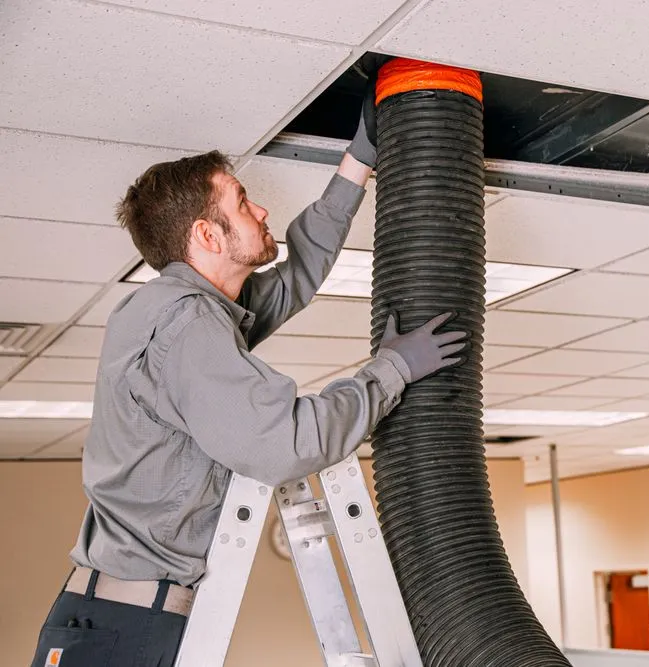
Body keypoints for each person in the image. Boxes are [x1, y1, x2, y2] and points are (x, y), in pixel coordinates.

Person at [29, 82, 467, 666]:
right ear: (207, 236)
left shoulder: (176, 311)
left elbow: (295, 277)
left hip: (112, 617)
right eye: (242, 201)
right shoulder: (185, 328)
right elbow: (288, 443)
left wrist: (357, 163)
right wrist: (392, 372)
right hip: (126, 629)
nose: (260, 210)